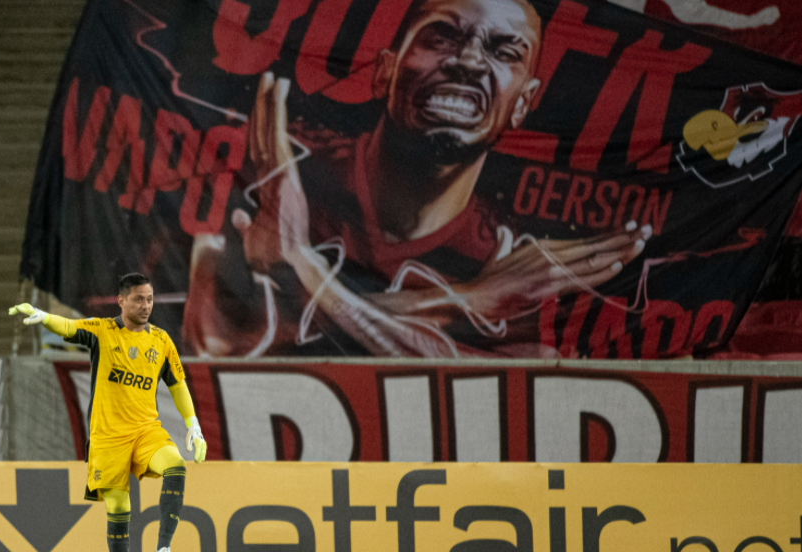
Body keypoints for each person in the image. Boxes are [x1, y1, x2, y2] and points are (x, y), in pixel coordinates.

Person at [183, 0, 652, 358]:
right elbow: (221, 343)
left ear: (525, 103)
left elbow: (474, 394)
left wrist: (301, 272)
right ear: (384, 72)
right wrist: (468, 302)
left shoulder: (516, 267)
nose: (468, 61)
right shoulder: (271, 184)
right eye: (440, 38)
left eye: (503, 50)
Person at [10, 272, 206, 552]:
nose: (146, 306)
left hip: (145, 430)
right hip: (108, 437)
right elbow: (70, 327)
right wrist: (43, 316)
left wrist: (193, 424)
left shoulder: (161, 341)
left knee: (176, 466)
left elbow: (178, 385)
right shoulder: (102, 331)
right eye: (139, 299)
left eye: (150, 299)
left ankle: (162, 550)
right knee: (118, 507)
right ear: (121, 301)